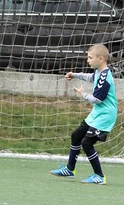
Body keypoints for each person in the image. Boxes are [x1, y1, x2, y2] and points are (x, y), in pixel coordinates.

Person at [50, 44, 117, 184]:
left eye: (90, 57)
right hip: (97, 113)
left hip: (105, 115)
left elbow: (97, 100)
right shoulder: (100, 71)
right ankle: (70, 169)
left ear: (101, 58)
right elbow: (91, 77)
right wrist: (75, 75)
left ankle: (99, 176)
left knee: (87, 143)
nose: (88, 60)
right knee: (76, 136)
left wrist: (82, 94)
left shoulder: (105, 77)